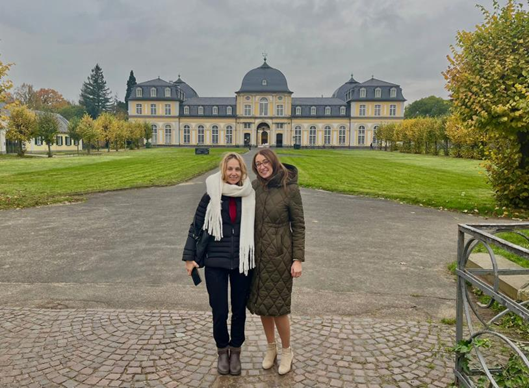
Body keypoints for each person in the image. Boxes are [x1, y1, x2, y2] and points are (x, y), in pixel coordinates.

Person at [182, 152, 255, 376]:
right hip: (215, 261)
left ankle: (236, 350)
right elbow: (195, 227)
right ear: (223, 170)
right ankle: (222, 351)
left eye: (237, 169)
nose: (233, 173)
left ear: (243, 172)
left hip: (242, 263)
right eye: (229, 169)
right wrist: (189, 257)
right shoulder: (211, 195)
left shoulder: (250, 196)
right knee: (220, 310)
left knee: (239, 311)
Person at [247, 148, 305, 375]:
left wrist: (298, 259)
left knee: (279, 307)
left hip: (280, 256)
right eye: (258, 163)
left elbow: (299, 226)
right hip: (258, 256)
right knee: (264, 305)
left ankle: (287, 350)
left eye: (265, 162)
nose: (262, 166)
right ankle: (271, 348)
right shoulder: (254, 188)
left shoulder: (290, 189)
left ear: (273, 162)